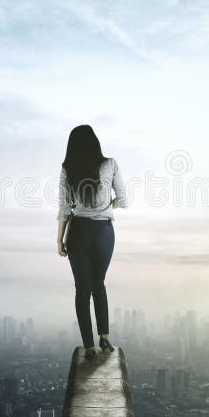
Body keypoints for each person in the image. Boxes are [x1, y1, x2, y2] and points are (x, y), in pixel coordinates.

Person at [56, 125, 128, 361]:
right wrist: (106, 208)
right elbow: (123, 200)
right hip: (103, 233)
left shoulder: (67, 168)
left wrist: (59, 239)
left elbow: (65, 208)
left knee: (82, 290)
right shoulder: (111, 164)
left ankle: (88, 346)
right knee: (99, 284)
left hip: (77, 232)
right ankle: (104, 337)